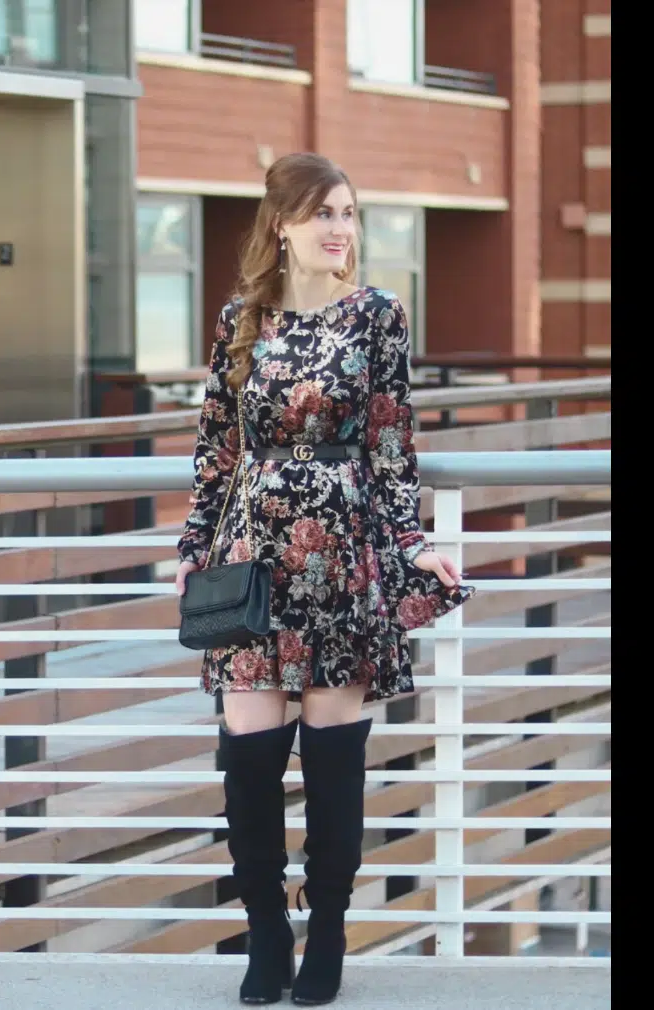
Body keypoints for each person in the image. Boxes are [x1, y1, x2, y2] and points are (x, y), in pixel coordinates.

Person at [175, 152, 474, 1005]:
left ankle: (331, 932)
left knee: (335, 765)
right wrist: (196, 553)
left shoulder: (378, 316)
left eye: (348, 214)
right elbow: (215, 455)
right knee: (249, 766)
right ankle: (267, 934)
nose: (341, 230)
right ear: (284, 227)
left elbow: (389, 443)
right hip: (249, 561)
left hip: (340, 558)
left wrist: (410, 543)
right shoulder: (242, 320)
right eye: (324, 215)